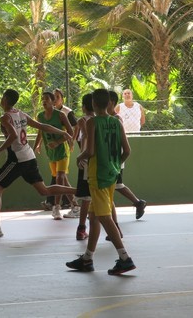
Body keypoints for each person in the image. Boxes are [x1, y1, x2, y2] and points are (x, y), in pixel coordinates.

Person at [0, 89, 76, 238]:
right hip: (29, 157)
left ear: (4, 99)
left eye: (2, 97)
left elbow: (12, 136)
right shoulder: (21, 114)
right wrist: (62, 132)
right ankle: (80, 190)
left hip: (17, 159)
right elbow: (42, 126)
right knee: (44, 190)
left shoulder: (5, 117)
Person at [66, 88, 136, 275]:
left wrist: (78, 157)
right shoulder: (116, 121)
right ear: (109, 104)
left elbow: (89, 151)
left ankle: (124, 258)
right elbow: (127, 151)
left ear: (94, 104)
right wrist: (115, 164)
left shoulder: (93, 123)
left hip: (97, 175)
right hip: (112, 173)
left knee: (104, 216)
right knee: (94, 216)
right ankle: (87, 259)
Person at [33, 91, 75, 220]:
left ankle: (56, 207)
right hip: (50, 151)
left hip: (62, 149)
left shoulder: (61, 115)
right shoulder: (40, 116)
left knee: (60, 177)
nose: (44, 101)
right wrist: (37, 145)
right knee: (62, 179)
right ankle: (76, 205)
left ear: (53, 102)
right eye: (43, 99)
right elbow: (41, 131)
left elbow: (70, 131)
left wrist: (58, 142)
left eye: (47, 99)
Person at [108, 90, 147, 221]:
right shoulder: (105, 118)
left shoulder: (116, 119)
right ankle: (138, 203)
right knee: (117, 185)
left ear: (111, 103)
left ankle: (109, 219)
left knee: (114, 185)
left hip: (115, 157)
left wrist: (118, 161)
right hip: (109, 157)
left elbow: (125, 147)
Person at [72, 94, 94, 240]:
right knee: (94, 195)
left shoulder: (83, 120)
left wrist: (82, 155)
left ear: (84, 106)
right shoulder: (101, 120)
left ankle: (82, 228)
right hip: (96, 160)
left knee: (87, 197)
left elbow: (85, 137)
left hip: (87, 159)